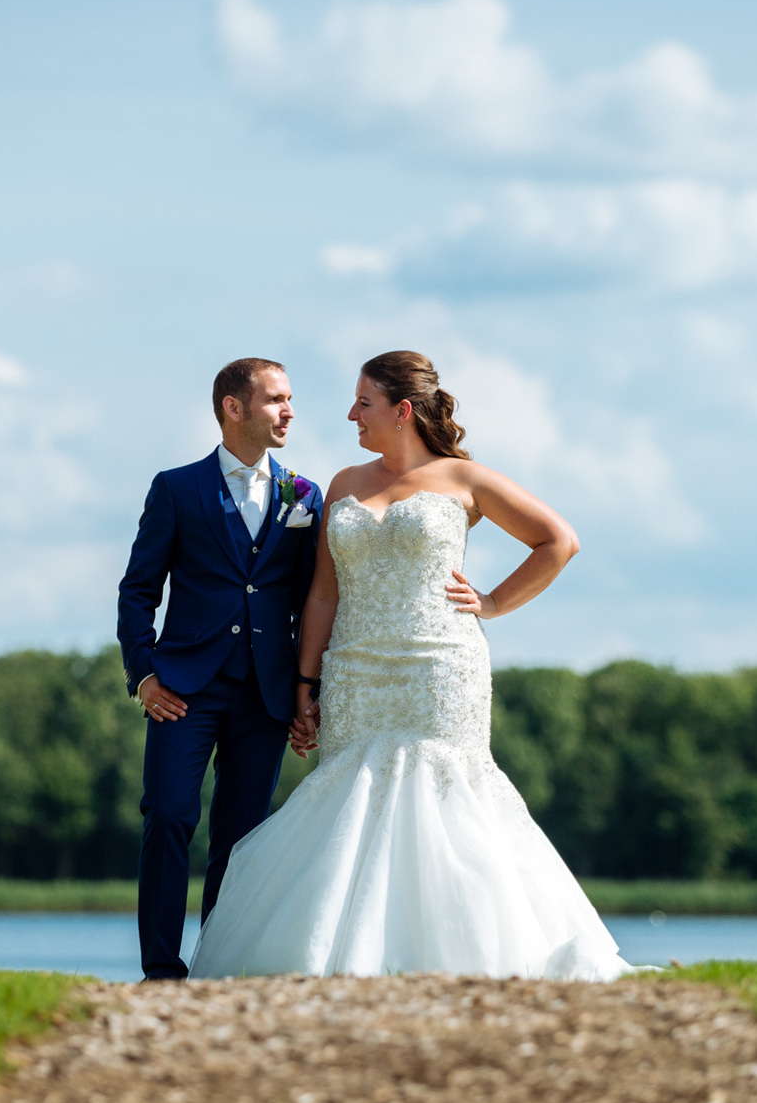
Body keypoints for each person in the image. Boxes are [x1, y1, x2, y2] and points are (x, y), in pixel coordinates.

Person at [189, 350, 629, 980]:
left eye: (362, 403)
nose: (350, 414)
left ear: (401, 411)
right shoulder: (343, 485)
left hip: (439, 670)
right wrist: (306, 683)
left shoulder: (464, 479)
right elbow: (322, 593)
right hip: (354, 673)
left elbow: (558, 540)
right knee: (349, 802)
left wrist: (494, 602)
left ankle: (468, 957)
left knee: (443, 798)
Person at [116, 357, 321, 981]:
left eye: (289, 399)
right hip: (182, 688)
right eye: (276, 400)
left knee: (240, 836)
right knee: (171, 812)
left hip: (266, 692)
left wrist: (308, 691)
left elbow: (314, 596)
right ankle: (160, 969)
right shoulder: (176, 489)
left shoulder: (305, 495)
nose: (289, 411)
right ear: (234, 408)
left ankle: (218, 965)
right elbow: (138, 589)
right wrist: (143, 675)